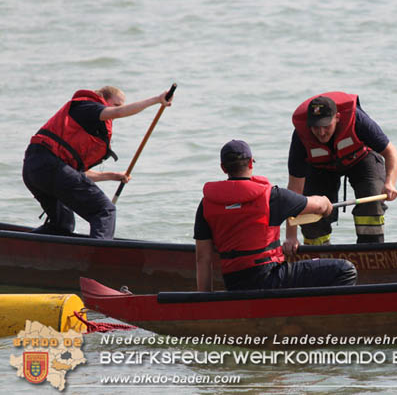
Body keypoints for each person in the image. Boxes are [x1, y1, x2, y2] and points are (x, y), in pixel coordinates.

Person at [194, 140, 358, 291]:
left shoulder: (207, 203)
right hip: (270, 278)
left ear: (223, 168)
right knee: (345, 270)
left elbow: (203, 257)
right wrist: (325, 202)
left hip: (233, 283)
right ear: (251, 163)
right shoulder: (272, 196)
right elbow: (318, 206)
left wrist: (206, 299)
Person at [22, 86, 172, 239]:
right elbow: (119, 113)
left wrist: (113, 176)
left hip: (35, 169)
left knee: (62, 224)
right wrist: (156, 100)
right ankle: (99, 259)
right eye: (116, 105)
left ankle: (19, 247)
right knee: (105, 211)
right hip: (47, 165)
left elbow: (72, 174)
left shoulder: (85, 125)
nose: (117, 111)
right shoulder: (87, 106)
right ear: (103, 98)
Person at [283, 92, 397, 255]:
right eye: (316, 127)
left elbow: (391, 153)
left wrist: (390, 183)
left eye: (326, 126)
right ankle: (319, 257)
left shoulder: (358, 120)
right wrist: (291, 237)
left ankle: (371, 252)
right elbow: (295, 190)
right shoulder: (301, 137)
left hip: (361, 159)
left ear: (337, 117)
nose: (321, 132)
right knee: (310, 210)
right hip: (320, 168)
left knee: (371, 199)